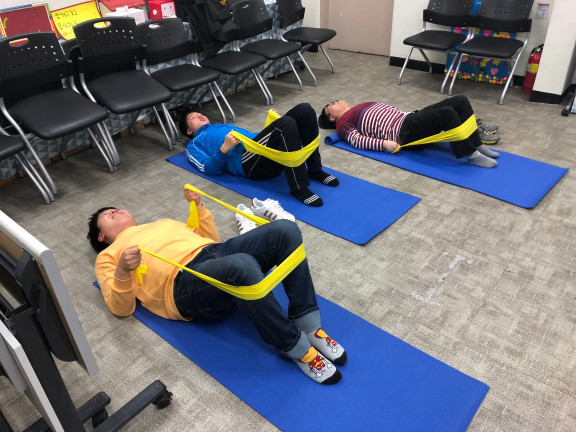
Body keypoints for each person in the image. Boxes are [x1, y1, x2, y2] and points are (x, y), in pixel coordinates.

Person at [87, 186, 346, 385]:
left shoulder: (162, 223)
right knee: (242, 265)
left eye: (115, 208)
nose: (113, 211)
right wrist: (122, 270)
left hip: (213, 253)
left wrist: (198, 208)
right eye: (106, 215)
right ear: (101, 236)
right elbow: (120, 308)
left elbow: (211, 240)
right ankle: (294, 346)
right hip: (181, 282)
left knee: (286, 230)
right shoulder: (108, 256)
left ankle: (308, 324)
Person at [179, 103, 338, 207]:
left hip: (258, 150)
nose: (199, 115)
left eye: (199, 113)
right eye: (193, 117)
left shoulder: (220, 126)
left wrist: (271, 125)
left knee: (305, 110)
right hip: (248, 163)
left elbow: (253, 138)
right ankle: (298, 187)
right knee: (286, 124)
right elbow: (208, 169)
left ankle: (315, 170)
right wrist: (224, 149)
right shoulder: (194, 145)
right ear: (189, 131)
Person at [318, 95, 501, 168]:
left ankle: (476, 143)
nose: (334, 101)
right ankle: (471, 154)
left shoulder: (358, 107)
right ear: (332, 118)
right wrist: (384, 144)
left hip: (410, 117)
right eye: (330, 105)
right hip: (404, 132)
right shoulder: (343, 123)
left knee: (460, 101)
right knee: (447, 113)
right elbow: (356, 140)